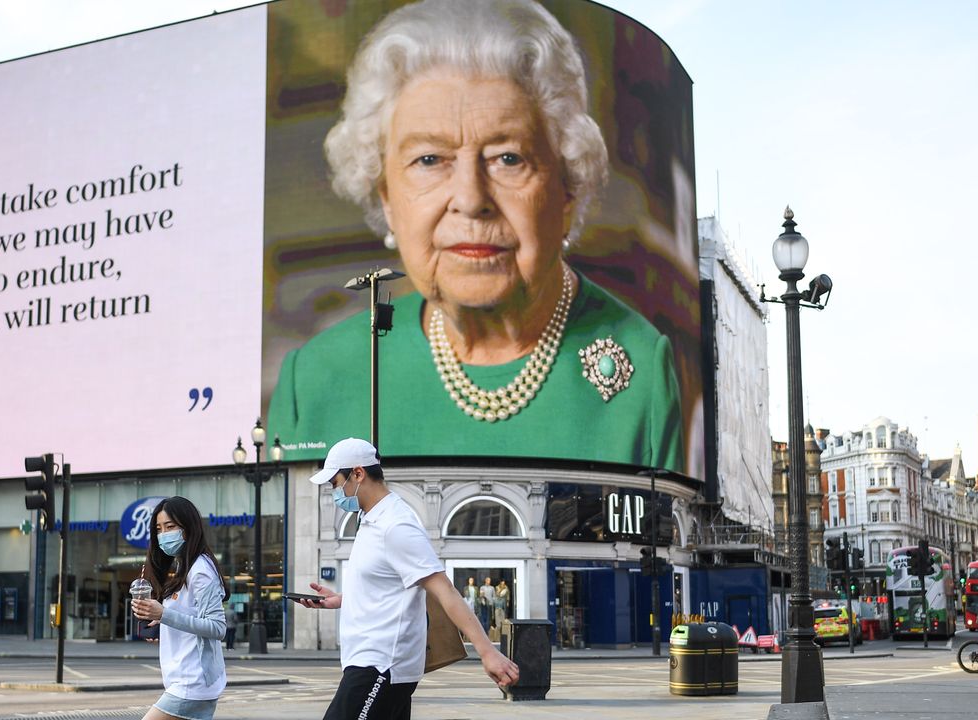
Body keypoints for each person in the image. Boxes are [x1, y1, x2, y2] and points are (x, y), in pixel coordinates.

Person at [268, 0, 685, 471]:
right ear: (387, 197)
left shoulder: (642, 368)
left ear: (567, 189)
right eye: (429, 159)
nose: (470, 198)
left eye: (508, 158)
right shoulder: (318, 377)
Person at [293, 438, 519, 719]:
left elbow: (444, 589)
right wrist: (342, 600)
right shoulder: (370, 519)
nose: (333, 491)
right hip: (374, 662)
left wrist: (487, 652)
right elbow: (389, 586)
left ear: (358, 473)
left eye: (335, 482)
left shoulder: (396, 525)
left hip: (381, 665)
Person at [131, 496, 228, 720]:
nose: (164, 534)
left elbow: (217, 627)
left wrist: (163, 614)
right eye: (159, 529)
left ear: (188, 527)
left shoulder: (200, 570)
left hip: (192, 683)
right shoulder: (184, 567)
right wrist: (161, 621)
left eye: (170, 526)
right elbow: (187, 615)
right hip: (184, 681)